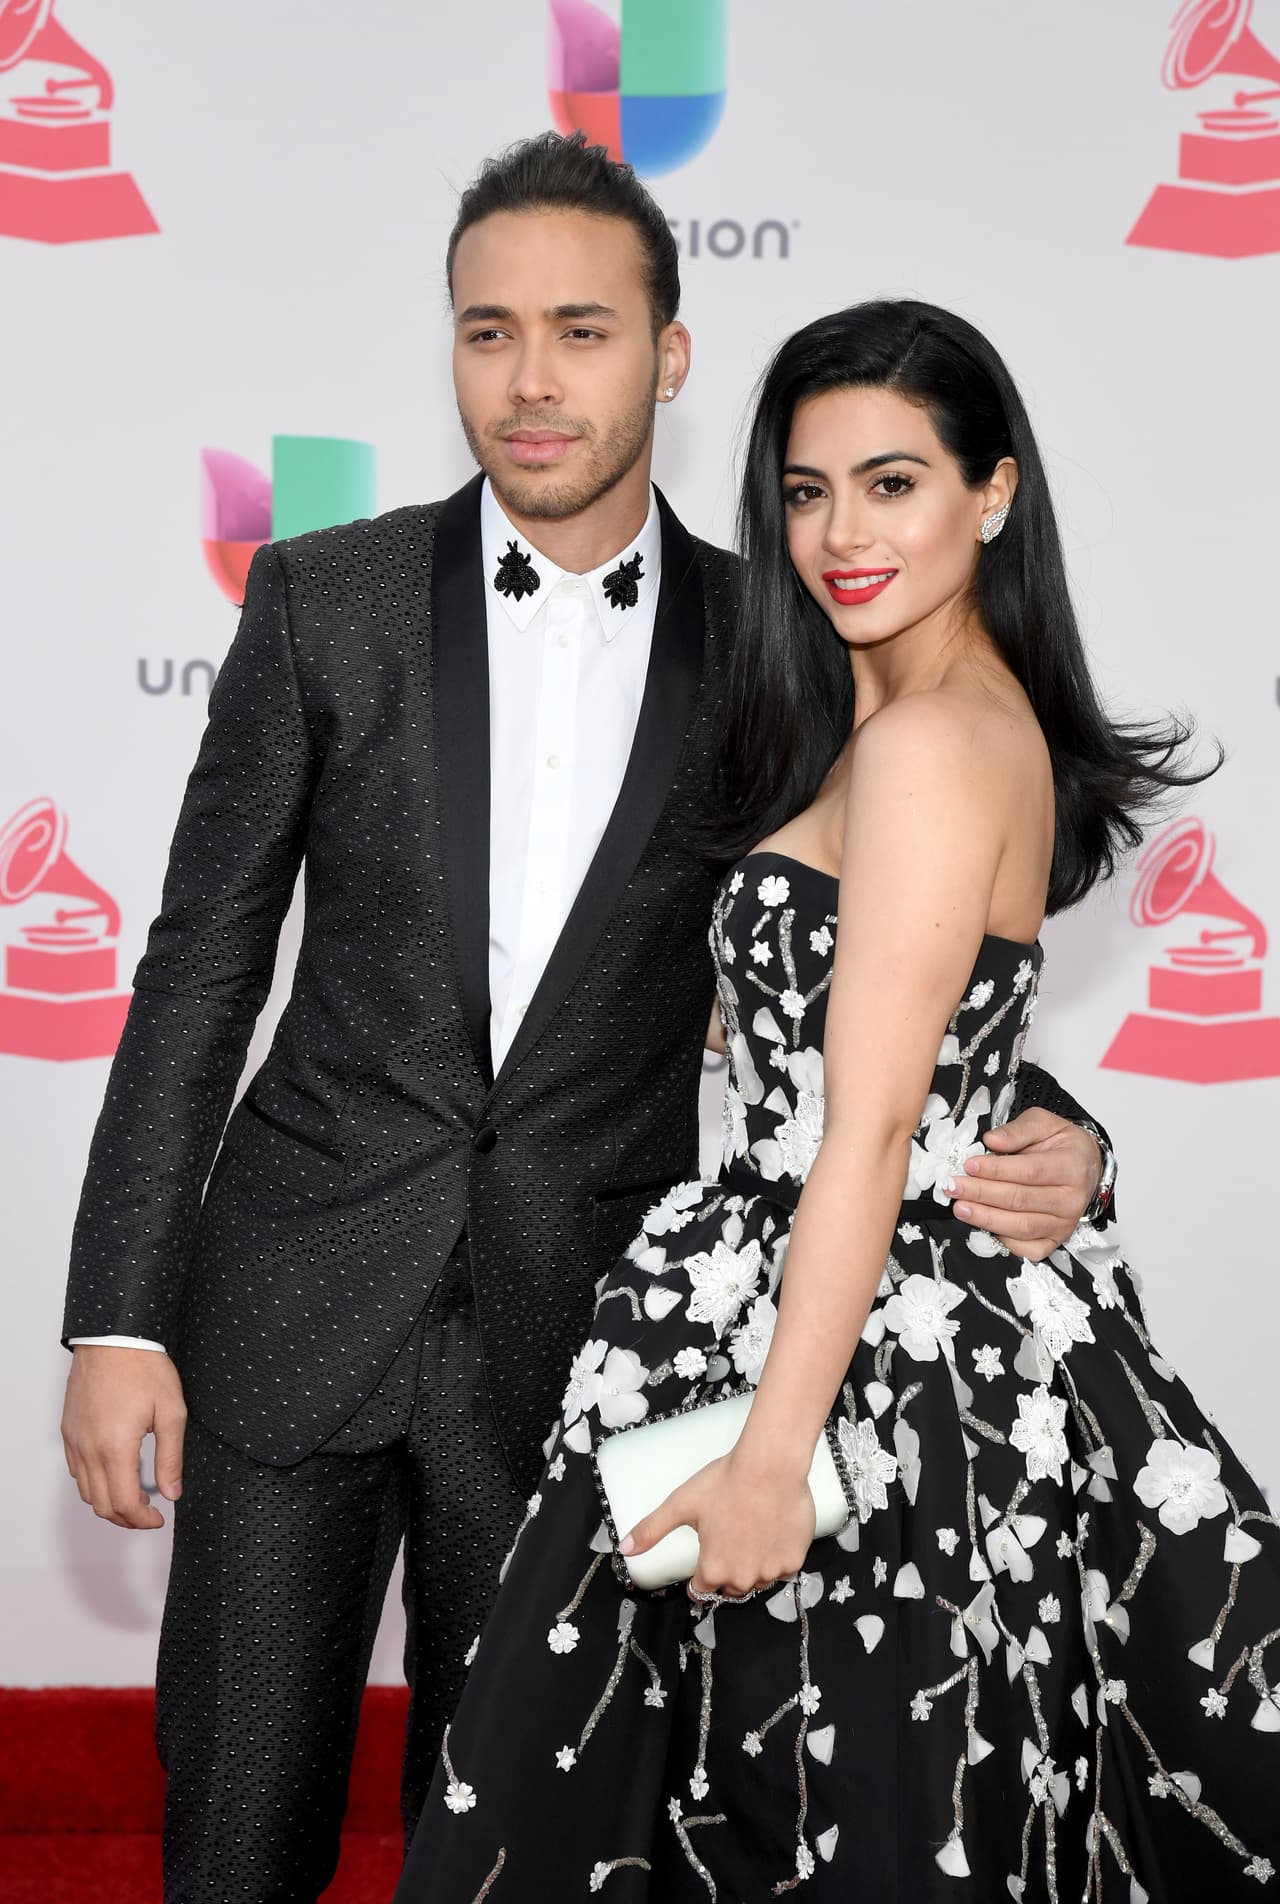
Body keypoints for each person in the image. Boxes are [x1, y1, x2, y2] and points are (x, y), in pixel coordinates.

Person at [57, 137, 1110, 1904]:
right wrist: (114, 1315)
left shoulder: (776, 638)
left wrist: (1064, 1128)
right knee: (234, 1831)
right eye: (488, 333)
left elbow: (881, 956)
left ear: (669, 358)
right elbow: (197, 968)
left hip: (579, 1342)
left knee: (523, 1851)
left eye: (582, 331)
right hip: (287, 1304)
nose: (533, 381)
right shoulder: (328, 599)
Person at [393, 298, 1279, 1903]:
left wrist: (767, 1458)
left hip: (861, 1361)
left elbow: (870, 1130)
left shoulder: (940, 739)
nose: (841, 533)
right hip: (846, 1311)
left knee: (825, 1801)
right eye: (806, 492)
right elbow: (951, 1050)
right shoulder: (888, 713)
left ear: (991, 493)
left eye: (892, 484)